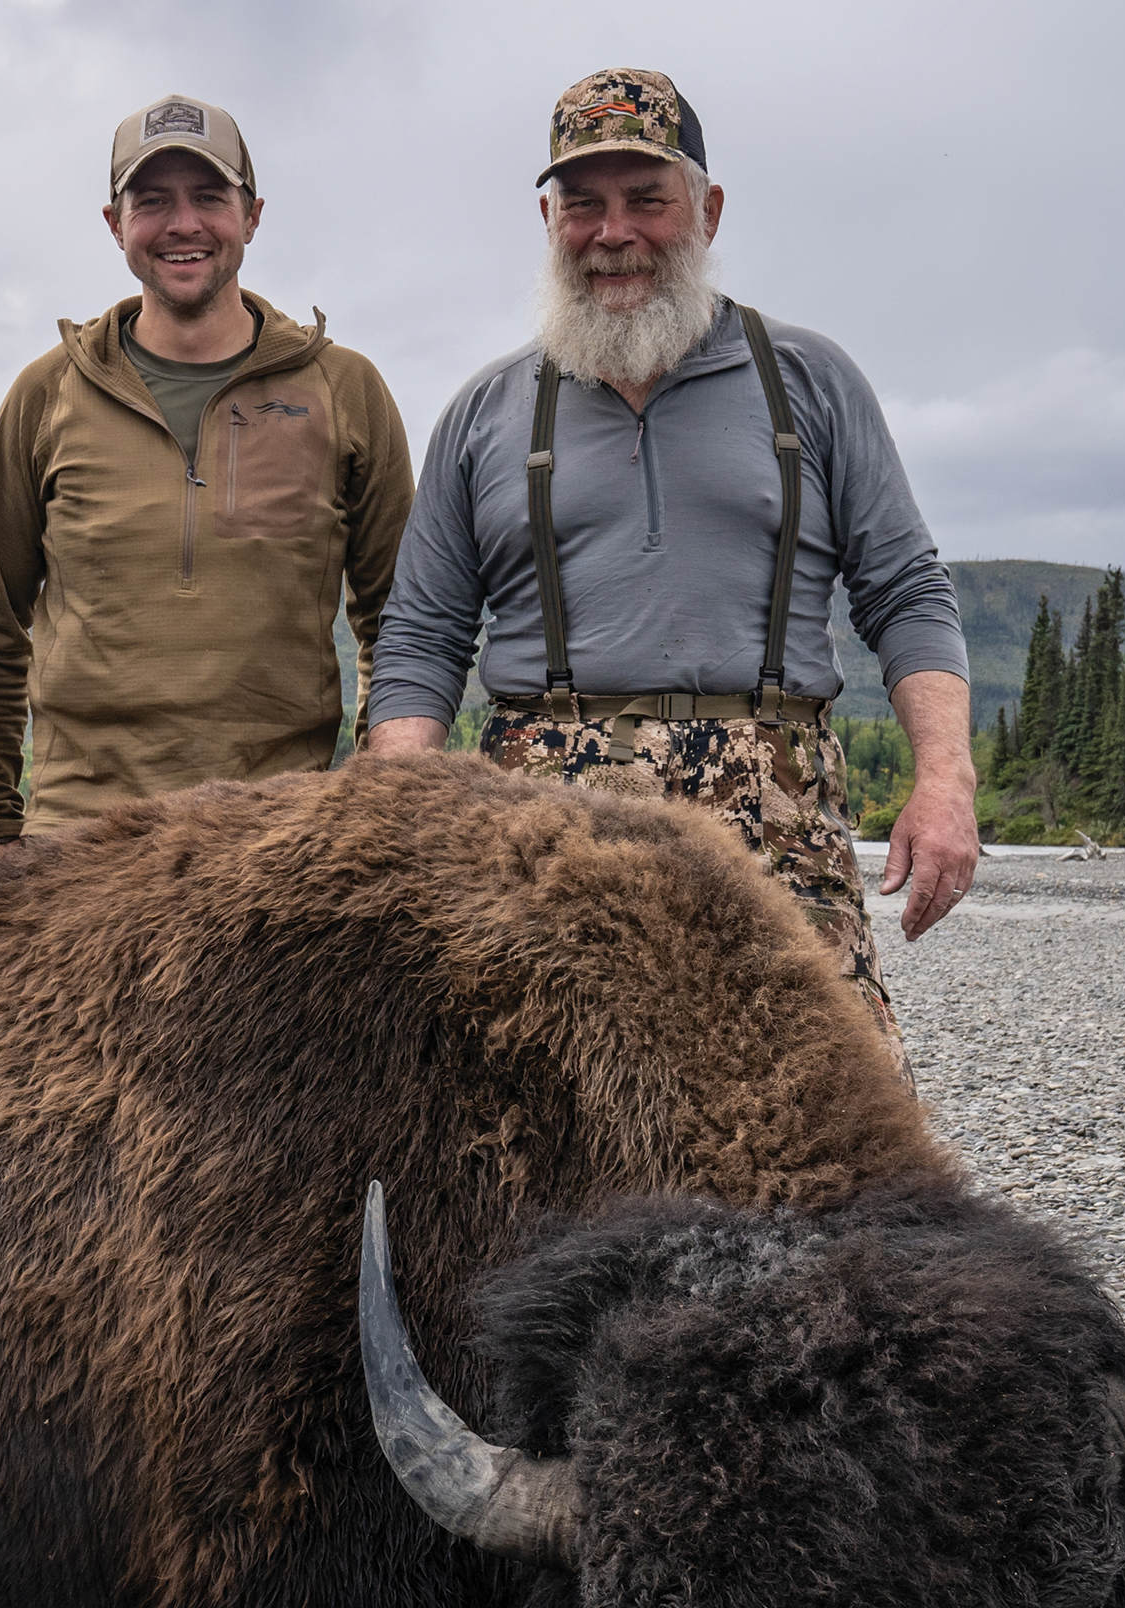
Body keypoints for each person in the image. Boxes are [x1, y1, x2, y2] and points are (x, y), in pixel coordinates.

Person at [357, 68, 977, 1034]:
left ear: (708, 209)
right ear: (548, 217)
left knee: (830, 1135)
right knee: (533, 1136)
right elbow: (422, 638)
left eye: (647, 199)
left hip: (775, 823)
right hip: (536, 830)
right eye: (583, 204)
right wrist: (397, 815)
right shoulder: (484, 412)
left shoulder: (809, 381)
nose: (614, 233)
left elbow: (905, 592)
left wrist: (945, 781)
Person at [0, 95, 413, 837]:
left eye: (210, 197)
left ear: (253, 215)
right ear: (115, 225)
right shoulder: (44, 395)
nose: (184, 224)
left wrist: (373, 809)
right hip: (74, 845)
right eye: (153, 202)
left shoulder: (347, 390)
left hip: (277, 845)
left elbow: (397, 618)